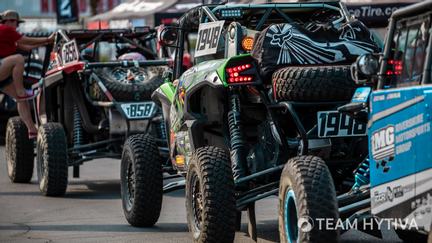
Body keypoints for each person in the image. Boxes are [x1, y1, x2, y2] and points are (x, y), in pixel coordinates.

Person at [0, 10, 54, 139]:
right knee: (18, 58)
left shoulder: (9, 36)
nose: (16, 25)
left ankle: (32, 129)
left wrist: (48, 42)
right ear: (5, 22)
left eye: (17, 23)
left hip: (2, 74)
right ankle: (20, 89)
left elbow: (27, 47)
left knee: (21, 99)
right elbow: (27, 40)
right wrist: (48, 38)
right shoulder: (5, 30)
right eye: (14, 22)